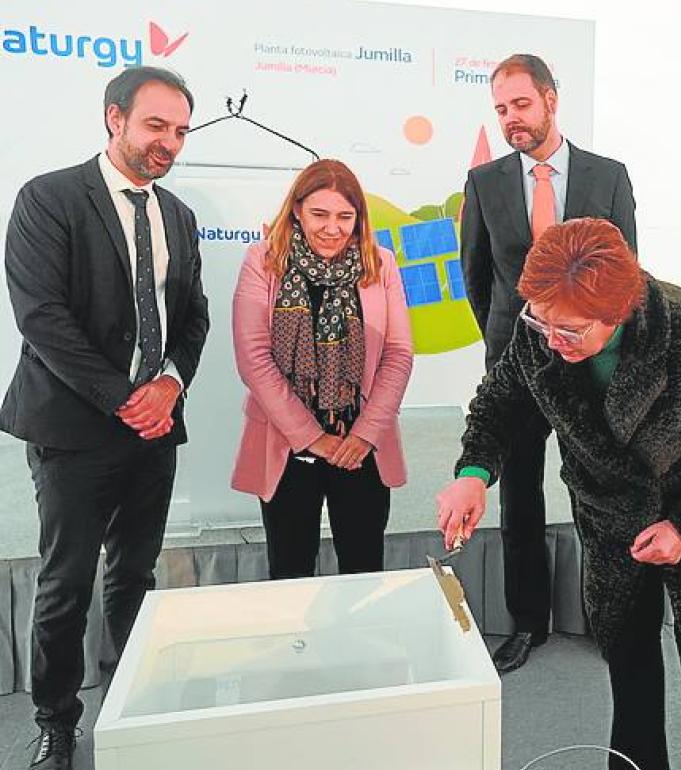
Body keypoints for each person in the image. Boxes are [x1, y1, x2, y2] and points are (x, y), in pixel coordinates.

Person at [436, 218, 681, 770]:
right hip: (612, 515)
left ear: (617, 312)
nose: (551, 339)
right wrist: (474, 472)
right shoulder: (541, 327)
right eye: (541, 321)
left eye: (570, 331)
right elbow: (500, 404)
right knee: (629, 659)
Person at [1, 66, 210, 770]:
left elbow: (194, 315)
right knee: (65, 583)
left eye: (180, 130)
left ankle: (130, 700)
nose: (169, 143)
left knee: (135, 576)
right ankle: (57, 721)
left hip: (155, 430)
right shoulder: (50, 197)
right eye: (157, 125)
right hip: (73, 429)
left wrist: (171, 385)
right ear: (113, 118)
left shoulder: (176, 214)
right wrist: (127, 397)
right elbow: (42, 318)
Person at [460, 53, 638, 672]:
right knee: (520, 496)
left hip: (594, 365)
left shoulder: (607, 176)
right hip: (518, 366)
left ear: (551, 99)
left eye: (521, 105)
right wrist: (510, 341)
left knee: (602, 492)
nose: (512, 119)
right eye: (501, 110)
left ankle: (608, 613)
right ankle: (527, 623)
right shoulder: (483, 183)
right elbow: (477, 280)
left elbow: (626, 276)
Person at [231, 160, 412, 579]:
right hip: (287, 443)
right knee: (290, 570)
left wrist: (365, 433)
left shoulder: (379, 263)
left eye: (345, 217)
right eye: (320, 214)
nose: (333, 228)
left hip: (360, 445)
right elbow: (254, 359)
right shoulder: (264, 260)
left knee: (364, 568)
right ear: (296, 209)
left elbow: (399, 354)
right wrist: (313, 438)